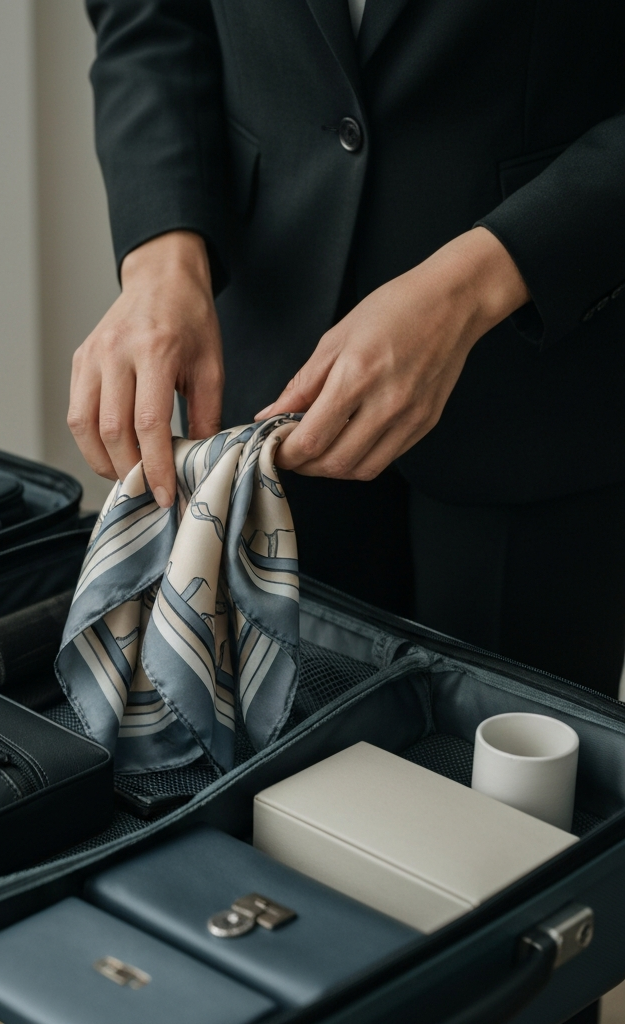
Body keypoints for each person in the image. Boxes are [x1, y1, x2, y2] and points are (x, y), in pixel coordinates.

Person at [69, 0, 625, 705]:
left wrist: (475, 286)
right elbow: (148, 19)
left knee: (508, 797)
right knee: (270, 762)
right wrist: (160, 257)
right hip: (265, 370)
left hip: (540, 386)